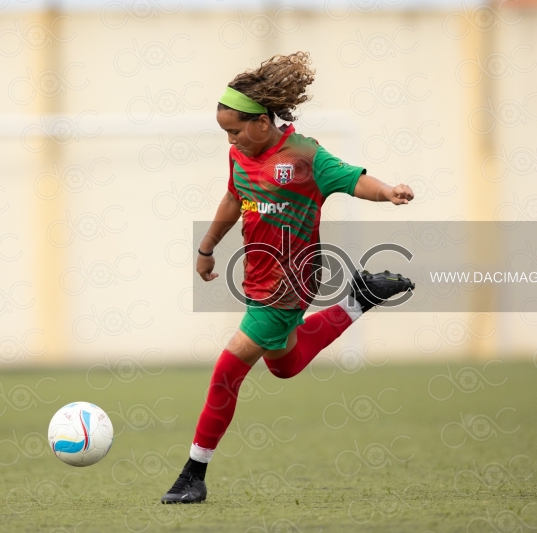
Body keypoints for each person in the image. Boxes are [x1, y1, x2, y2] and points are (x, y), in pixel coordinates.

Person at [161, 51, 415, 504]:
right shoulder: (241, 156)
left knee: (226, 373)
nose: (231, 141)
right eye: (225, 133)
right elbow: (233, 198)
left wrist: (389, 191)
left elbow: (352, 179)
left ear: (262, 121)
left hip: (290, 283)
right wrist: (206, 248)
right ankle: (358, 299)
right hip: (258, 281)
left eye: (235, 130)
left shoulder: (304, 156)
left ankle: (192, 476)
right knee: (284, 365)